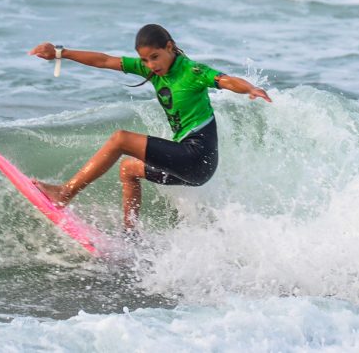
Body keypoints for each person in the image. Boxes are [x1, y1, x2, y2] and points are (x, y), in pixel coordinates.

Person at [28, 24, 272, 231]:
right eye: (145, 59)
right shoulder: (153, 71)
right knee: (128, 170)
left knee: (120, 139)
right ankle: (131, 235)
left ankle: (65, 193)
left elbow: (225, 80)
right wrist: (61, 53)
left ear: (169, 47)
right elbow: (104, 60)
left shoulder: (192, 71)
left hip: (198, 157)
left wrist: (250, 89)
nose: (150, 65)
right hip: (190, 166)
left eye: (154, 57)